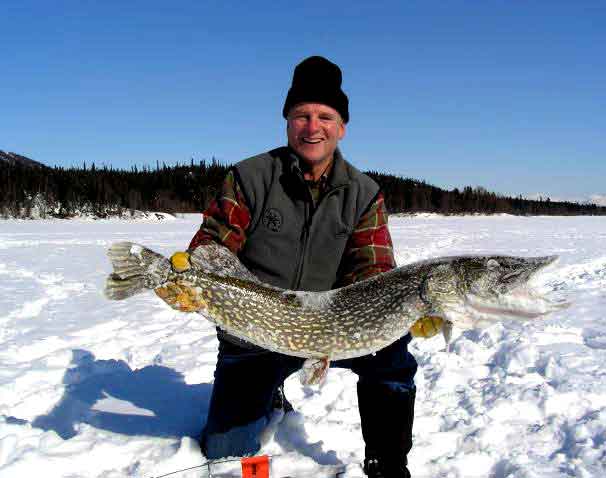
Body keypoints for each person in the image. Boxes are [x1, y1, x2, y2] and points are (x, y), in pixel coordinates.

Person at [177, 56, 430, 478]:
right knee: (225, 451)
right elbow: (216, 242)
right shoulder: (250, 177)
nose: (312, 127)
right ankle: (269, 389)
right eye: (301, 116)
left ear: (342, 126)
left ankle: (387, 463)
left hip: (330, 323)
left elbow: (372, 269)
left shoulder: (364, 193)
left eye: (325, 116)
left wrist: (396, 311)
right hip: (254, 331)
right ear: (287, 122)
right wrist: (197, 267)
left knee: (392, 357)